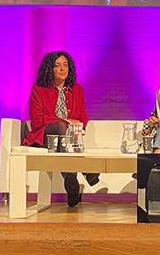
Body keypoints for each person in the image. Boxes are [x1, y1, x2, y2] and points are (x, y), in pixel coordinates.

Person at [23, 51, 98, 207]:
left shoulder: (77, 90)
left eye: (65, 65)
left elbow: (83, 117)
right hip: (45, 136)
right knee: (61, 126)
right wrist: (64, 121)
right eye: (57, 66)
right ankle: (85, 170)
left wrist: (77, 126)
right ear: (50, 69)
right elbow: (37, 121)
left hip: (70, 137)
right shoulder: (38, 89)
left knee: (67, 132)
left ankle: (71, 178)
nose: (62, 69)